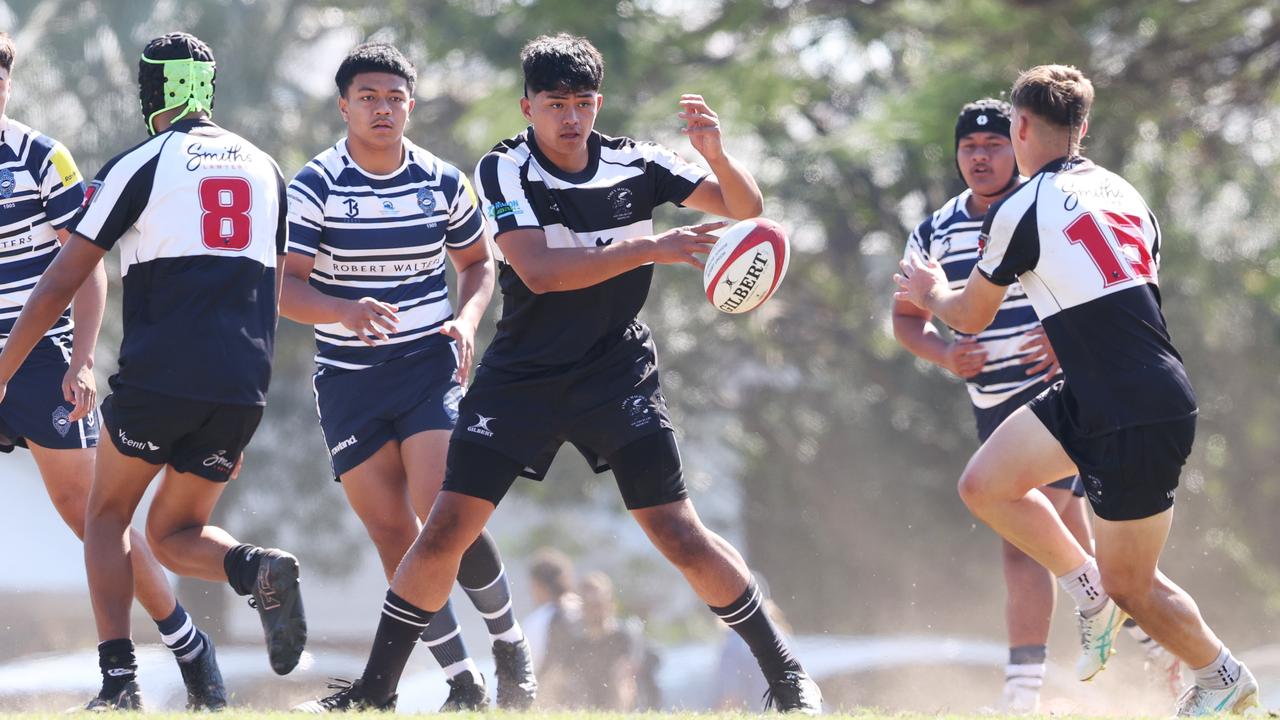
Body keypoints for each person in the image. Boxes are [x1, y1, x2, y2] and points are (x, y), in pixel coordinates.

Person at [298, 32, 821, 714]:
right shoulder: (504, 169)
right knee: (448, 526)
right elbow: (539, 273)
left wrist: (716, 155)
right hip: (523, 376)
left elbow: (746, 210)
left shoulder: (637, 161)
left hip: (616, 372)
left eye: (581, 103)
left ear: (597, 103)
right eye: (554, 104)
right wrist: (650, 248)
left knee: (678, 531)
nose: (570, 118)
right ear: (528, 107)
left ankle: (786, 678)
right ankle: (374, 690)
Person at [895, 64, 1258, 716]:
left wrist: (929, 294)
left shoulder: (1019, 207)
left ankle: (1220, 675)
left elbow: (968, 314)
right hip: (1105, 392)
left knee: (1134, 587)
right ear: (1083, 127)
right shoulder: (1124, 193)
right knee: (985, 485)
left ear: (1022, 126)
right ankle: (1083, 586)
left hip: (1129, 407)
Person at [0, 32, 306, 709]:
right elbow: (277, 291)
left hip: (129, 374)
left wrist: (29, 367)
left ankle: (122, 682)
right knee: (171, 533)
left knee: (102, 517)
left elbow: (63, 281)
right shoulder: (265, 167)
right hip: (241, 388)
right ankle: (253, 566)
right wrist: (249, 406)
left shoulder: (135, 161)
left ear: (155, 91)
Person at [281, 41, 534, 711]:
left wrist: (470, 320)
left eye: (394, 98)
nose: (382, 108)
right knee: (394, 535)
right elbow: (284, 288)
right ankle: (462, 681)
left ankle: (510, 647)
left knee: (445, 517)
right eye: (368, 97)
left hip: (427, 367)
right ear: (343, 106)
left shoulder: (443, 180)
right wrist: (342, 308)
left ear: (411, 105)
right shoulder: (315, 184)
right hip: (347, 379)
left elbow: (479, 265)